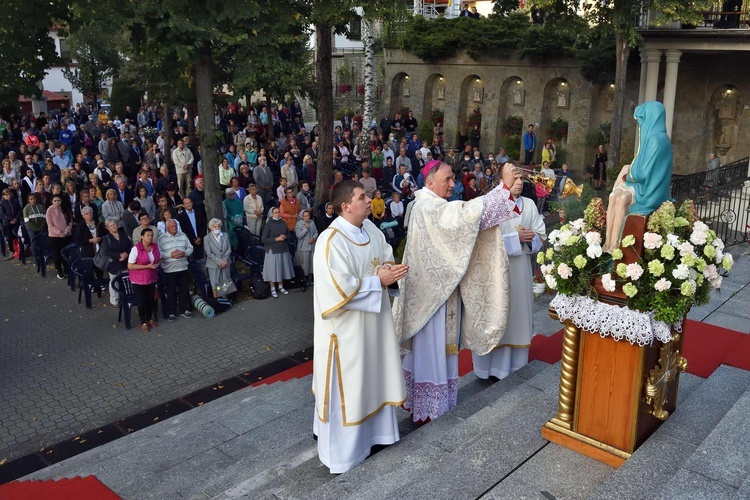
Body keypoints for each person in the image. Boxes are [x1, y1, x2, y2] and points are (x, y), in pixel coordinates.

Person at [392, 160, 520, 423]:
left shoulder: (428, 204)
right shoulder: (428, 206)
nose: (453, 184)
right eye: (448, 179)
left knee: (438, 348)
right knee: (432, 349)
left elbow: (463, 222)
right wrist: (503, 187)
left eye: (453, 179)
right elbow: (463, 217)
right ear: (430, 181)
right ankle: (431, 409)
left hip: (439, 291)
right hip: (432, 297)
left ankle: (429, 403)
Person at [312, 180, 408, 474]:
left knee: (375, 379)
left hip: (375, 327)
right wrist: (377, 281)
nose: (370, 200)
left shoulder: (372, 230)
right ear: (346, 206)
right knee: (350, 389)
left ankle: (378, 436)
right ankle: (345, 455)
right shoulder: (330, 241)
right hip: (346, 333)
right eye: (363, 197)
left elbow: (386, 258)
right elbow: (337, 290)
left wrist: (390, 271)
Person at [473, 175, 546, 379]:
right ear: (502, 181)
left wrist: (531, 239)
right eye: (514, 180)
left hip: (520, 270)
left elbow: (541, 234)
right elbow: (482, 240)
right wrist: (515, 239)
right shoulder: (492, 205)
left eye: (521, 179)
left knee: (517, 316)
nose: (520, 183)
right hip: (495, 271)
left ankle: (515, 366)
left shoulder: (529, 204)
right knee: (497, 316)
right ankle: (488, 370)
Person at [604, 101, 673, 253]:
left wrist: (626, 176)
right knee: (614, 196)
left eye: (642, 119)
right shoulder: (656, 138)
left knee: (621, 198)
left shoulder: (656, 140)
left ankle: (614, 243)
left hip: (650, 190)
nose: (640, 124)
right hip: (644, 186)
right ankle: (608, 241)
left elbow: (643, 173)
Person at [160, 219, 194, 322]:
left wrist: (184, 253)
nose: (174, 228)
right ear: (167, 227)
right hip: (170, 270)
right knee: (171, 292)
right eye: (172, 226)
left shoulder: (183, 235)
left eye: (175, 226)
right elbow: (159, 253)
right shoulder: (162, 238)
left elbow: (190, 248)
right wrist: (170, 255)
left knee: (184, 290)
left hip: (182, 267)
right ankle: (171, 312)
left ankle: (184, 309)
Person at [128, 227, 161, 332]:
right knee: (141, 300)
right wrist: (146, 267)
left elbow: (160, 260)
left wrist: (157, 264)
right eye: (148, 235)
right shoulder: (136, 248)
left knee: (151, 299)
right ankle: (143, 322)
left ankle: (149, 318)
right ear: (142, 237)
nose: (150, 237)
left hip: (151, 278)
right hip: (138, 280)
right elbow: (130, 266)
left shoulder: (155, 247)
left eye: (151, 235)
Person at [262, 207, 295, 298]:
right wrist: (276, 239)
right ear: (272, 214)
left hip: (283, 249)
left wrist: (285, 237)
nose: (277, 214)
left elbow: (289, 235)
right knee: (272, 269)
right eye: (275, 213)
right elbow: (264, 239)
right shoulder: (269, 224)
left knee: (282, 268)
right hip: (272, 250)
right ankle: (272, 288)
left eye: (278, 212)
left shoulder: (283, 223)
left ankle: (281, 286)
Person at [101, 218, 132, 306]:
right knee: (114, 281)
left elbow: (130, 245)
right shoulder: (107, 238)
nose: (113, 227)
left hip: (125, 261)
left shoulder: (123, 234)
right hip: (114, 263)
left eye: (114, 224)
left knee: (127, 279)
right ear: (108, 228)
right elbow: (106, 251)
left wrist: (126, 253)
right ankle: (114, 300)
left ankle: (128, 296)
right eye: (111, 226)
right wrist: (119, 255)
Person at [205, 218, 236, 299]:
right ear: (211, 228)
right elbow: (209, 253)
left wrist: (224, 260)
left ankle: (224, 299)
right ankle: (217, 301)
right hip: (213, 264)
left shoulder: (225, 235)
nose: (217, 228)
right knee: (215, 283)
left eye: (219, 226)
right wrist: (219, 261)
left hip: (225, 263)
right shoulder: (207, 238)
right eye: (215, 227)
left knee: (225, 282)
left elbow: (229, 249)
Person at [45, 194, 74, 279]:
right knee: (57, 254)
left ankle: (66, 270)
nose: (57, 202)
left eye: (59, 200)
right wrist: (59, 233)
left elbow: (70, 222)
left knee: (66, 253)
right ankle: (59, 271)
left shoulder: (65, 209)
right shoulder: (49, 210)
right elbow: (50, 225)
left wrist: (66, 231)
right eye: (55, 201)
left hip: (66, 235)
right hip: (54, 236)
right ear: (52, 201)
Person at [294, 210, 317, 285]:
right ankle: (304, 279)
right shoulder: (298, 224)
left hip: (312, 246)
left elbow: (316, 232)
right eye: (305, 216)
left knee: (311, 264)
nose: (307, 217)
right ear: (302, 217)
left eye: (308, 215)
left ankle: (310, 279)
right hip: (303, 247)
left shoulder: (312, 222)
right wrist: (305, 229)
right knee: (305, 264)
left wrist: (313, 239)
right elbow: (298, 236)